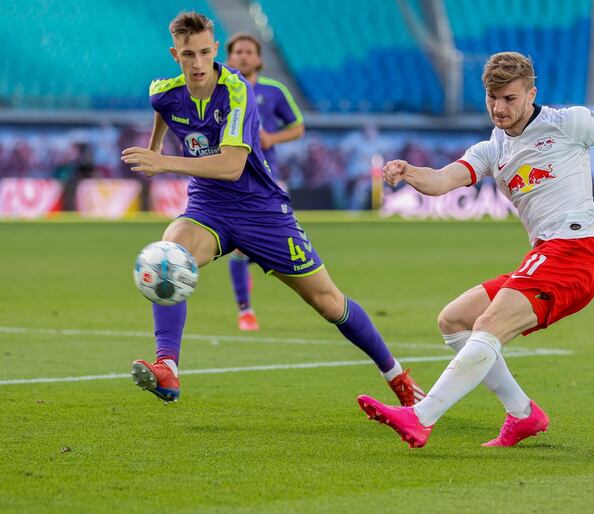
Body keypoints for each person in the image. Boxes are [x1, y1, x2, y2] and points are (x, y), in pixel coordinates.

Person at [356, 52, 594, 448]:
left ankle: (421, 417)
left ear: (531, 94)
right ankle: (522, 414)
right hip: (545, 255)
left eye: (510, 99)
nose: (499, 108)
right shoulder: (491, 150)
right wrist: (409, 172)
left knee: (488, 326)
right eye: (492, 98)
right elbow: (441, 180)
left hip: (575, 253)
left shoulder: (567, 123)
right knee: (454, 320)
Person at [121, 11, 425, 407]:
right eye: (186, 55)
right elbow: (162, 109)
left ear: (215, 49)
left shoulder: (236, 90)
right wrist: (156, 145)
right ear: (174, 54)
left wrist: (165, 162)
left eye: (203, 53)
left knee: (329, 303)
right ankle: (168, 368)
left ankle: (397, 376)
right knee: (168, 259)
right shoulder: (163, 91)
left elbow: (231, 166)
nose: (196, 64)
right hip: (208, 208)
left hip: (262, 211)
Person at [225, 32, 306, 331]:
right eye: (238, 52)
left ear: (259, 58)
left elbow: (298, 127)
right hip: (232, 177)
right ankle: (245, 310)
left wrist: (272, 137)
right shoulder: (220, 89)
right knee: (239, 247)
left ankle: (313, 293)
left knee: (280, 242)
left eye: (249, 52)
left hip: (267, 179)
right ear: (229, 57)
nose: (243, 56)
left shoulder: (274, 92)